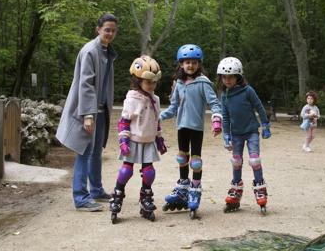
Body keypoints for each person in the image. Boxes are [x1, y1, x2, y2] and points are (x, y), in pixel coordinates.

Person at [56, 13, 118, 212]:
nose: (110, 33)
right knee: (83, 151)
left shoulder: (106, 52)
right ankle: (81, 197)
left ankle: (96, 190)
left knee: (96, 152)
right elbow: (86, 85)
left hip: (100, 110)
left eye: (113, 30)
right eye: (107, 29)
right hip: (88, 111)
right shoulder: (90, 51)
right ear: (98, 29)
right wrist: (88, 115)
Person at [160, 44, 222, 219]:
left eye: (194, 63)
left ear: (199, 64)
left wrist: (217, 118)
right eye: (187, 62)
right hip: (182, 127)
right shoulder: (178, 83)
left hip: (196, 128)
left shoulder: (203, 83)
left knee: (195, 161)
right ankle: (182, 188)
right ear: (181, 64)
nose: (190, 66)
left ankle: (195, 190)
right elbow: (173, 107)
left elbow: (215, 103)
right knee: (181, 157)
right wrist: (158, 117)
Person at [108, 55, 167, 224]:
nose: (152, 85)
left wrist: (159, 139)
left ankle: (145, 197)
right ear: (138, 80)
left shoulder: (155, 99)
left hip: (148, 140)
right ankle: (117, 195)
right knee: (126, 170)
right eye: (148, 82)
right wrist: (123, 141)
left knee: (149, 172)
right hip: (133, 140)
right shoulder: (132, 98)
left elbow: (156, 121)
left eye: (154, 82)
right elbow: (124, 121)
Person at [216, 57, 271, 215]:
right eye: (224, 77)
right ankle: (235, 189)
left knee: (254, 160)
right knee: (236, 161)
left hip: (251, 130)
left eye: (231, 76)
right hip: (236, 134)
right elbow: (225, 117)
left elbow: (259, 106)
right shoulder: (224, 96)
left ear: (238, 77)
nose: (227, 80)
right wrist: (226, 135)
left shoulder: (248, 91)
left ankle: (260, 188)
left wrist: (265, 124)